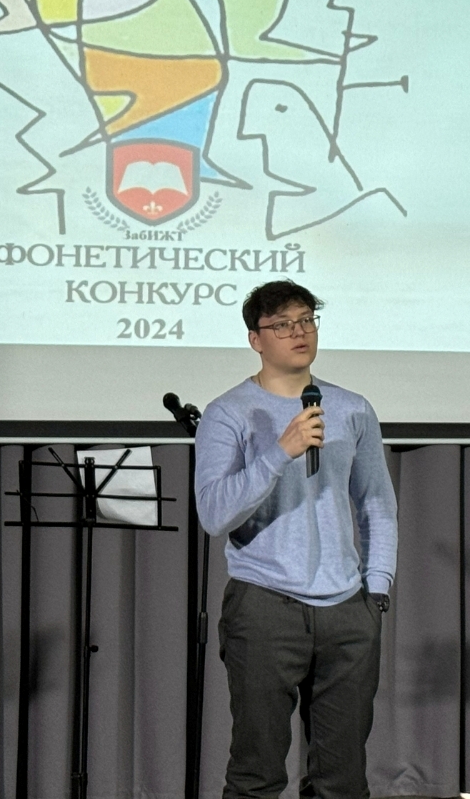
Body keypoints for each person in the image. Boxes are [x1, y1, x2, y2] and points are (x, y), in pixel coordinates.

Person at [194, 280, 398, 799]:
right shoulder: (228, 412)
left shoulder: (352, 408)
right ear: (255, 339)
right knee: (257, 774)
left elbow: (376, 502)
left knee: (342, 780)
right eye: (282, 324)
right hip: (265, 605)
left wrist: (376, 589)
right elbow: (214, 513)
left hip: (347, 609)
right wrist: (280, 451)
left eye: (307, 320)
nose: (299, 332)